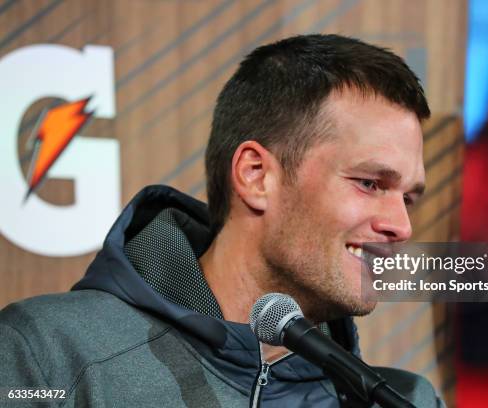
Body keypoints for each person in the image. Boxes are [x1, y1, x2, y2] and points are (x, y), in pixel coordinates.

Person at [0, 34, 444, 407]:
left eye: (408, 198)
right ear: (256, 176)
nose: (401, 226)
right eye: (369, 183)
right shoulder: (48, 353)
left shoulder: (407, 400)